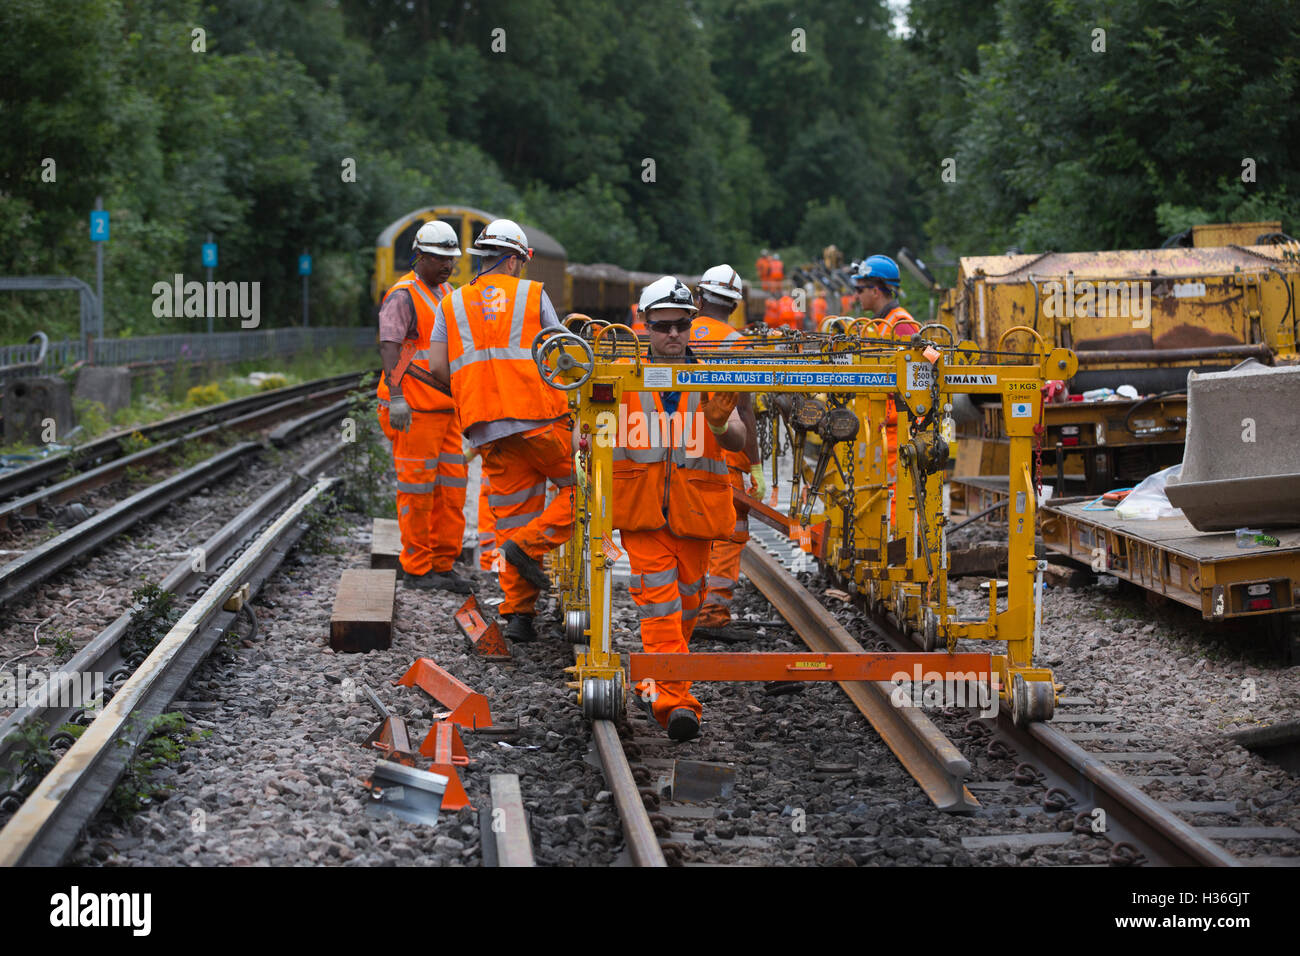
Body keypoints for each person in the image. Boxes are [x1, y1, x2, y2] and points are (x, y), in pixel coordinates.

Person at [609, 276, 747, 741]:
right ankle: (676, 703)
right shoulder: (620, 372)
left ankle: (656, 682)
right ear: (645, 325)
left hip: (695, 514)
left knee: (687, 609)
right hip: (643, 514)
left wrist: (722, 424)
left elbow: (743, 442)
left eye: (680, 326)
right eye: (662, 325)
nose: (672, 334)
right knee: (661, 609)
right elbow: (587, 432)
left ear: (691, 325)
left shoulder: (715, 378)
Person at [427, 219, 575, 643]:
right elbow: (562, 352)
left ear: (482, 257)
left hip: (487, 428)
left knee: (513, 518)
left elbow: (438, 367)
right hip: (539, 422)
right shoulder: (532, 295)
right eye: (521, 263)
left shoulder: (451, 304)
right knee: (585, 489)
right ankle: (531, 545)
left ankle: (519, 617)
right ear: (513, 259)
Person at [376, 220, 471, 593]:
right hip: (413, 409)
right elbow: (390, 346)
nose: (447, 265)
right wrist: (396, 397)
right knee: (417, 491)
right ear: (420, 256)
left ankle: (442, 564)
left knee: (451, 489)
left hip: (444, 409)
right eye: (440, 258)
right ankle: (416, 567)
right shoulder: (402, 295)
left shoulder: (446, 292)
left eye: (451, 258)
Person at [687, 265, 766, 630]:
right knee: (728, 533)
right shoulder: (737, 344)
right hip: (725, 456)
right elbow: (745, 411)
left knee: (685, 530)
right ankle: (713, 611)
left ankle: (683, 606)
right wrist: (756, 466)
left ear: (698, 299)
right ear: (734, 306)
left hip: (678, 451)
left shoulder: (674, 333)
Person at [854, 255, 919, 520]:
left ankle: (895, 550)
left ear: (876, 290)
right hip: (882, 427)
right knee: (878, 492)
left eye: (860, 289)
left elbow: (917, 379)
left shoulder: (901, 325)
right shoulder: (880, 324)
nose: (857, 296)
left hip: (897, 429)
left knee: (892, 495)